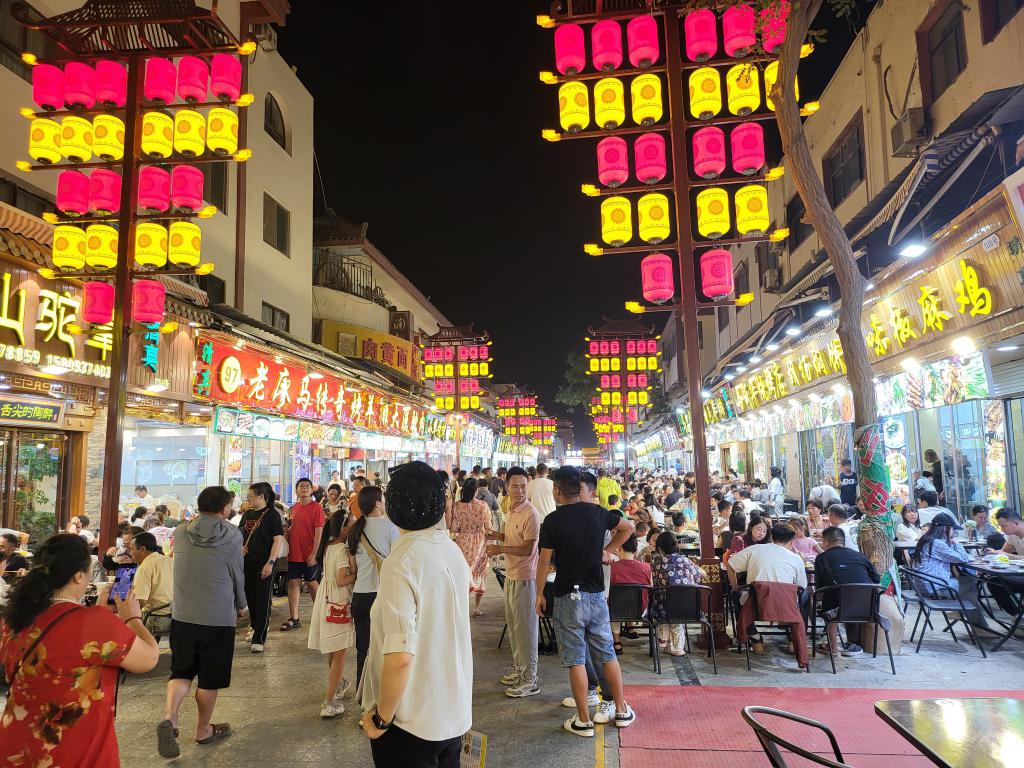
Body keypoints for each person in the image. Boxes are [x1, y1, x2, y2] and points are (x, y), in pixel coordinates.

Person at [0, 534, 160, 768]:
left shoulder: (13, 619)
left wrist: (98, 614)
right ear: (78, 576)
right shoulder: (94, 623)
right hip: (72, 746)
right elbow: (149, 658)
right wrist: (132, 618)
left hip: (16, 743)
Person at [359, 461, 472, 767]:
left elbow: (401, 655)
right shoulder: (451, 551)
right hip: (451, 713)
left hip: (411, 721)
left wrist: (381, 718)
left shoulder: (403, 561)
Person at [535, 466, 636, 737]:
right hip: (595, 596)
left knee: (576, 660)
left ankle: (583, 721)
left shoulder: (552, 521)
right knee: (607, 654)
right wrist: (608, 550)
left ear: (557, 490)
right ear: (579, 488)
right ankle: (622, 710)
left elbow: (544, 560)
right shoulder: (597, 513)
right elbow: (628, 528)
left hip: (567, 597)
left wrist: (538, 593)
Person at [158, 485, 247, 758]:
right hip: (217, 616)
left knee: (181, 672)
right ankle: (203, 729)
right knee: (209, 679)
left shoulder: (182, 532)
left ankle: (171, 718)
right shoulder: (232, 534)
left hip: (183, 614)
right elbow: (235, 572)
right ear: (224, 509)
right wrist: (242, 605)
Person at [485, 466, 541, 697]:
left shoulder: (531, 513)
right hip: (511, 574)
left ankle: (530, 680)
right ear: (506, 487)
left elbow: (528, 548)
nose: (519, 490)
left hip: (525, 577)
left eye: (523, 486)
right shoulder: (512, 509)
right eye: (515, 486)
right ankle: (519, 670)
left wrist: (499, 547)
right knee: (515, 629)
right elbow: (513, 537)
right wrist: (496, 534)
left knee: (526, 631)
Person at [727, 524, 808, 653]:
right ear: (792, 542)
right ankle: (793, 639)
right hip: (786, 607)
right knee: (805, 597)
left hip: (756, 605)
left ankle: (754, 637)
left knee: (736, 595)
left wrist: (736, 587)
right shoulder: (796, 558)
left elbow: (730, 565)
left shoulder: (754, 549)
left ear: (771, 537)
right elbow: (802, 586)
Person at [348, 484, 400, 686]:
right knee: (386, 649)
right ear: (378, 503)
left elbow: (353, 567)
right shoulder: (390, 528)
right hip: (382, 595)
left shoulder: (355, 529)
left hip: (360, 596)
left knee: (364, 649)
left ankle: (363, 699)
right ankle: (382, 697)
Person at [308, 510, 356, 718]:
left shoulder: (329, 546)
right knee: (339, 654)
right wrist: (358, 572)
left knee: (332, 650)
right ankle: (329, 702)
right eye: (353, 523)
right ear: (344, 528)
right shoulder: (343, 550)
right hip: (338, 602)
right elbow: (341, 579)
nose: (356, 525)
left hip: (325, 600)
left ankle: (339, 684)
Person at [910, 512, 991, 631]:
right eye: (952, 529)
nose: (954, 533)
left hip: (925, 586)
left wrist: (951, 543)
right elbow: (963, 558)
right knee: (971, 583)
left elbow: (953, 556)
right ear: (945, 529)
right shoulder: (937, 543)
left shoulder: (927, 540)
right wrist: (956, 543)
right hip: (935, 588)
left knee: (967, 587)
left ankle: (967, 616)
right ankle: (979, 627)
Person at [814, 526, 879, 656]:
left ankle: (833, 647)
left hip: (835, 611)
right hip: (866, 609)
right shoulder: (860, 556)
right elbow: (876, 578)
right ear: (842, 541)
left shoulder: (822, 558)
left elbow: (819, 588)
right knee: (849, 598)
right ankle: (853, 645)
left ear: (826, 542)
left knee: (828, 605)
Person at [239, 482, 285, 652]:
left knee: (263, 599)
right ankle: (254, 626)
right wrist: (240, 547)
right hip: (246, 562)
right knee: (250, 597)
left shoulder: (272, 515)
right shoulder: (247, 514)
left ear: (261, 496)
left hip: (264, 563)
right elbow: (240, 534)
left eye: (251, 496)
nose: (248, 499)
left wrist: (270, 563)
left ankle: (259, 637)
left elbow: (277, 539)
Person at [281, 478, 325, 632]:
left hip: (309, 553)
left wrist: (314, 553)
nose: (304, 488)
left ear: (312, 490)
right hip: (294, 552)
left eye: (307, 486)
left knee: (312, 583)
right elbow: (290, 529)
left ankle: (321, 615)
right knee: (294, 583)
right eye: (301, 486)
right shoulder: (293, 508)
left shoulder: (316, 508)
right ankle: (294, 617)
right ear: (296, 490)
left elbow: (319, 532)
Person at [649, 532, 703, 656]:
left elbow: (652, 581)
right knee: (677, 602)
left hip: (665, 609)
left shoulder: (658, 562)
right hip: (690, 609)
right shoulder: (686, 560)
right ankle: (674, 645)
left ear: (660, 548)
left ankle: (664, 638)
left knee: (662, 599)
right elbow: (702, 574)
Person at [451, 478, 491, 616]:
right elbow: (489, 528)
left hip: (462, 542)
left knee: (463, 573)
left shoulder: (456, 506)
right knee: (480, 572)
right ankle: (476, 607)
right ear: (476, 491)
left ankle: (461, 604)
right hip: (480, 542)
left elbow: (454, 528)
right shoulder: (483, 506)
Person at [609, 534, 651, 654]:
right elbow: (651, 588)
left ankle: (616, 642)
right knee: (617, 603)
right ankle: (630, 628)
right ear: (636, 550)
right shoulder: (646, 567)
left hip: (616, 610)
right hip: (640, 610)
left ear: (619, 548)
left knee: (613, 603)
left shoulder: (611, 567)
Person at [130, 531, 173, 638]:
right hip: (175, 617)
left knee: (123, 624)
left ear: (143, 549)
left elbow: (141, 602)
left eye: (131, 549)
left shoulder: (145, 567)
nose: (130, 553)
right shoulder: (169, 561)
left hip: (154, 618)